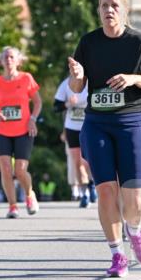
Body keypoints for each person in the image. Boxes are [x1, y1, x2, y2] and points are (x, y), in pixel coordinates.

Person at [68, 0, 141, 277]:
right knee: (106, 191)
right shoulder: (88, 42)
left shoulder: (138, 42)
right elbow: (76, 88)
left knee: (133, 196)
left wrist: (133, 78)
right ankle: (117, 254)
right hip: (97, 123)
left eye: (114, 5)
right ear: (98, 10)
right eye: (103, 5)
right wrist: (78, 77)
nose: (108, 10)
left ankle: (134, 231)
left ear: (125, 10)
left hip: (131, 123)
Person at [0, 47, 42, 218]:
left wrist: (33, 119)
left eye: (11, 57)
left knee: (19, 170)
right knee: (5, 169)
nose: (8, 60)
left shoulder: (26, 78)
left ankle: (29, 194)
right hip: (2, 131)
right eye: (5, 57)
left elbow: (38, 102)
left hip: (23, 131)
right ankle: (12, 206)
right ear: (1, 61)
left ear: (18, 60)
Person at [54, 75, 96, 207]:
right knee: (78, 163)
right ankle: (85, 194)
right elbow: (56, 107)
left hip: (91, 127)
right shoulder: (66, 84)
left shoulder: (94, 81)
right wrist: (68, 104)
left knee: (90, 162)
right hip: (72, 128)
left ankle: (92, 184)